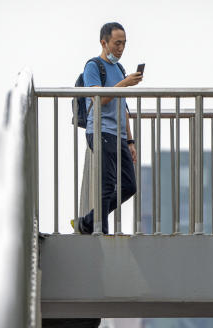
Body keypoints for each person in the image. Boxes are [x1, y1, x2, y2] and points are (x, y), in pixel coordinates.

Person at [75, 22, 143, 234]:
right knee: (107, 184)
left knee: (130, 186)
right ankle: (100, 231)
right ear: (104, 43)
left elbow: (122, 107)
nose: (121, 48)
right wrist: (125, 84)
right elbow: (99, 98)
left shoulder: (120, 69)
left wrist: (130, 140)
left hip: (119, 135)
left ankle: (87, 222)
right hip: (100, 131)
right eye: (117, 43)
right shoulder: (94, 66)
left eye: (124, 44)